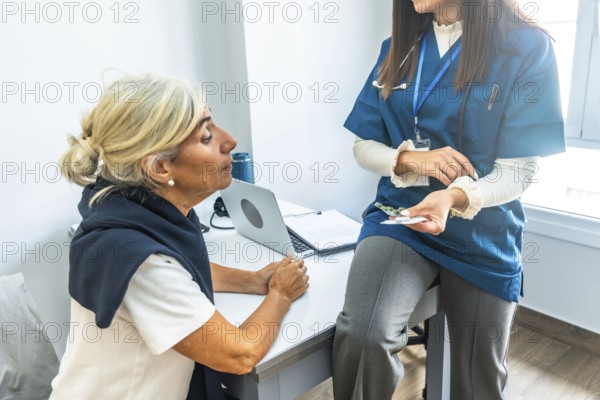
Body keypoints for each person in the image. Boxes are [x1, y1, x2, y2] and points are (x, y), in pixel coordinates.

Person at [332, 0, 565, 399]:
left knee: (476, 383)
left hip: (483, 232)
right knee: (364, 337)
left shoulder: (526, 48)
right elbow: (363, 145)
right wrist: (408, 159)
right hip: (403, 220)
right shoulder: (399, 47)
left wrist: (453, 197)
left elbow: (519, 171)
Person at [50, 74, 310, 400]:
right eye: (206, 136)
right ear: (160, 168)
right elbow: (240, 354)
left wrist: (252, 280)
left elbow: (183, 268)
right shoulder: (142, 263)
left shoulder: (132, 208)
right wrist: (280, 295)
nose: (229, 141)